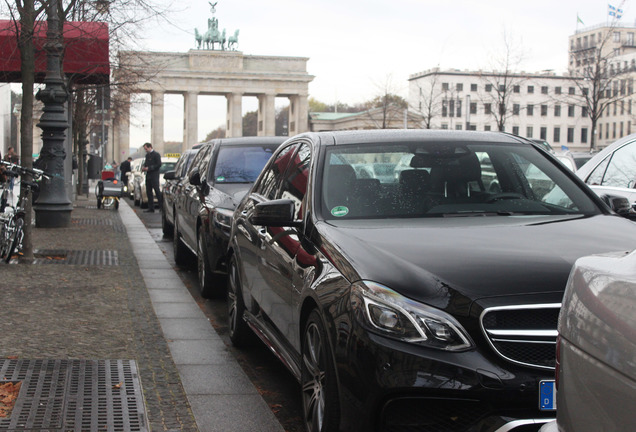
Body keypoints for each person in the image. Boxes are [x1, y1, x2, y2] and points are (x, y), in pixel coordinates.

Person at [142, 142, 162, 213]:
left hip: (154, 175)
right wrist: (144, 168)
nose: (146, 150)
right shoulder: (147, 156)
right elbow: (146, 164)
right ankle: (151, 207)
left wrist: (149, 168)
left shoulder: (156, 155)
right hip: (148, 176)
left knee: (157, 191)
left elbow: (159, 164)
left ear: (150, 147)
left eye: (146, 148)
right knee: (148, 192)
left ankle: (161, 207)